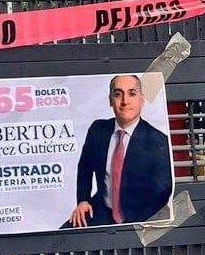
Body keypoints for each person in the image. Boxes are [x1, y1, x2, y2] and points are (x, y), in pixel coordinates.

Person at [65, 75, 173, 228]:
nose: (124, 101)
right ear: (110, 100)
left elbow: (161, 191)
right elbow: (84, 169)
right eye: (118, 94)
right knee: (60, 239)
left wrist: (134, 226)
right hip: (102, 210)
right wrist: (83, 200)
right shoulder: (98, 130)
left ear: (142, 99)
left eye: (132, 93)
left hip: (140, 216)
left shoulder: (157, 141)